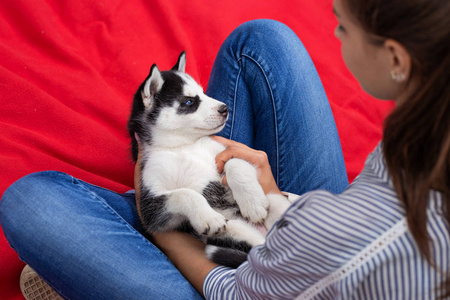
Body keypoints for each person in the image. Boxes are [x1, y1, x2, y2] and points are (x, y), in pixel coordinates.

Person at [0, 0, 448, 298]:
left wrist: (166, 228)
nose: (335, 33)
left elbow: (236, 291)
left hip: (255, 274)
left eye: (343, 25)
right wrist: (270, 190)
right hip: (309, 232)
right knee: (261, 42)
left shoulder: (356, 239)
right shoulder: (427, 123)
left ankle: (96, 259)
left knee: (31, 203)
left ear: (395, 58)